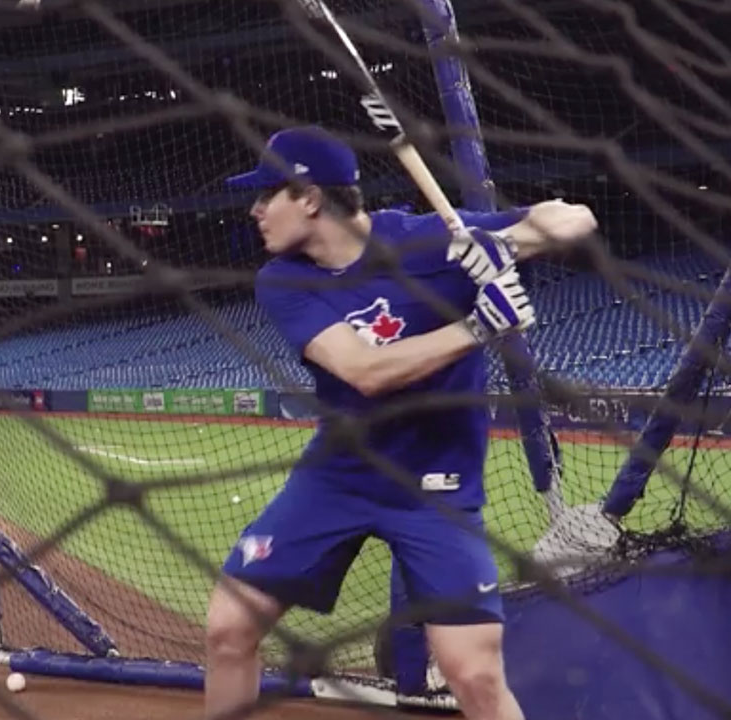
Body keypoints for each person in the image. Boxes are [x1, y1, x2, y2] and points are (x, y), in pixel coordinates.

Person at [205, 126, 597, 720]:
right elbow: (364, 371)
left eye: (266, 195)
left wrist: (509, 243)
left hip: (436, 488)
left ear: (309, 198)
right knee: (228, 629)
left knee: (473, 672)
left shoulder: (425, 239)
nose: (255, 210)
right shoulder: (285, 279)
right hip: (339, 478)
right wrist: (478, 327)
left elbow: (576, 217)